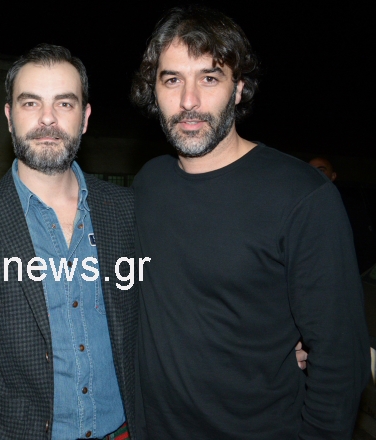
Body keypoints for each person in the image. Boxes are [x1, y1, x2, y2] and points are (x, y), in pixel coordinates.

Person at [130, 6, 370, 439]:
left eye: (209, 78)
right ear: (154, 91)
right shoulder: (149, 183)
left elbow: (340, 359)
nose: (189, 101)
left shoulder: (302, 195)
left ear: (238, 89)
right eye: (172, 80)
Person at [0, 44, 136, 439]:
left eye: (64, 103)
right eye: (31, 103)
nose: (47, 118)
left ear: (85, 117)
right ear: (9, 116)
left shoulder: (127, 211)